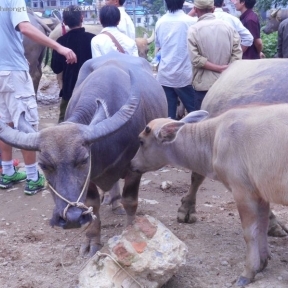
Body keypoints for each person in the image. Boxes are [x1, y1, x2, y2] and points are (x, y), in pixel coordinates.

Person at [0, 0, 77, 195]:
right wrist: (59, 47)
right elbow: (25, 27)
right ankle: (33, 178)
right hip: (13, 72)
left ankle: (8, 171)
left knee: (5, 124)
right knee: (26, 125)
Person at [187, 0, 242, 110]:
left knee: (203, 123)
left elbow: (196, 59)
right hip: (226, 84)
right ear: (213, 9)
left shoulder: (193, 30)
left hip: (204, 87)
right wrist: (226, 69)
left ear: (196, 10)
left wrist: (218, 68)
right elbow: (237, 53)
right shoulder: (229, 27)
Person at [51, 5, 95, 123]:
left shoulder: (61, 42)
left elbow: (56, 68)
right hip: (89, 92)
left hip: (69, 93)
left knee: (63, 124)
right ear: (82, 18)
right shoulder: (93, 39)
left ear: (64, 22)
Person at [155, 0, 197, 120]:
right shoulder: (191, 22)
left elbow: (159, 45)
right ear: (182, 2)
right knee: (196, 115)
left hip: (165, 76)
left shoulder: (160, 22)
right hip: (184, 76)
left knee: (168, 119)